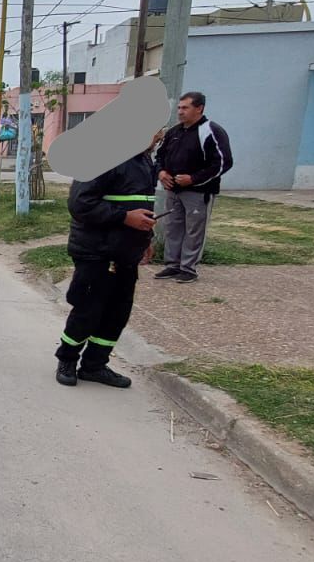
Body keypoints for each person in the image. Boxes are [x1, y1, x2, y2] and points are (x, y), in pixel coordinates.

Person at [55, 130, 165, 388]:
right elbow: (80, 204)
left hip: (126, 252)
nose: (158, 138)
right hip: (96, 251)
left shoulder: (142, 160)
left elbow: (141, 204)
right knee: (89, 308)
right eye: (154, 133)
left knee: (117, 312)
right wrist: (125, 218)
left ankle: (94, 365)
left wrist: (146, 239)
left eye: (159, 135)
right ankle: (67, 359)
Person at [155, 92, 232, 284]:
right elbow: (160, 156)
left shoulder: (211, 131)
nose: (180, 112)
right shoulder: (174, 132)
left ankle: (188, 268)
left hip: (198, 192)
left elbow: (223, 162)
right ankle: (172, 265)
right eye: (179, 107)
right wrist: (161, 172)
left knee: (194, 229)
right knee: (173, 228)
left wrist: (194, 179)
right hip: (173, 190)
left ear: (199, 108)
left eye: (185, 108)